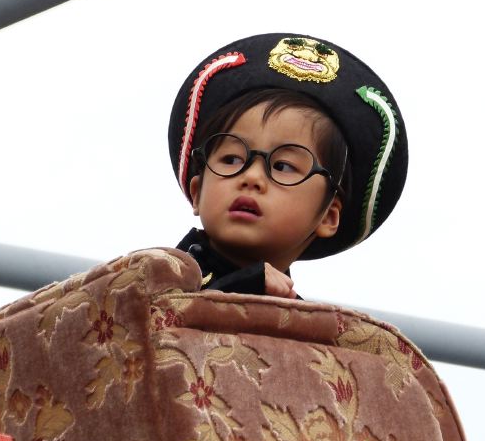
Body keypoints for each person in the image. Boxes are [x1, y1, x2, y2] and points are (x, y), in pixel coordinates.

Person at [167, 33, 408, 297]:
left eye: (282, 166)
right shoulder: (145, 279)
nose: (252, 177)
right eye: (232, 159)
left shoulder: (318, 332)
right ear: (197, 191)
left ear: (328, 215)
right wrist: (242, 287)